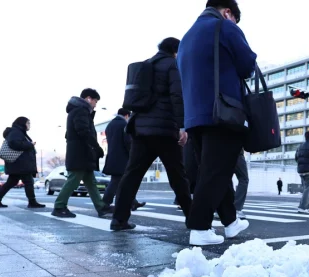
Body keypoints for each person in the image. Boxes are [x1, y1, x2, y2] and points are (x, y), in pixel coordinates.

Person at [178, 0, 257, 245]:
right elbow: (247, 65)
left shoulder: (186, 38)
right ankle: (199, 228)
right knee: (215, 172)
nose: (234, 23)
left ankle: (231, 223)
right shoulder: (225, 27)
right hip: (223, 112)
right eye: (234, 18)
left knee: (214, 169)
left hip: (195, 116)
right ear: (227, 12)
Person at [112, 38, 194, 231]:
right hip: (164, 130)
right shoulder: (172, 64)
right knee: (178, 176)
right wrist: (182, 126)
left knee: (131, 175)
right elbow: (177, 96)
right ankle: (192, 218)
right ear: (176, 51)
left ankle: (118, 219)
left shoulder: (147, 64)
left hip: (140, 129)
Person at [52, 88, 112, 219]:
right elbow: (84, 131)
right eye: (95, 101)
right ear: (89, 98)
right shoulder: (81, 111)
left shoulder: (78, 111)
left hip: (82, 153)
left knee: (91, 182)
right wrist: (96, 148)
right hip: (80, 153)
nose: (95, 104)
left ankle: (101, 207)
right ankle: (59, 206)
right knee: (73, 180)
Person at [0, 117, 45, 209]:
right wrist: (30, 145)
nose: (29, 125)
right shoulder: (16, 132)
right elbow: (14, 143)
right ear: (22, 123)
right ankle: (32, 202)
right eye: (28, 123)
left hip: (19, 164)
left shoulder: (19, 132)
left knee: (12, 182)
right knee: (28, 182)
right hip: (20, 164)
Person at [101, 109, 144, 212]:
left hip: (112, 157)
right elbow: (128, 142)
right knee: (116, 182)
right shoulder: (124, 125)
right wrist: (134, 154)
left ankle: (133, 202)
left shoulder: (110, 125)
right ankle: (105, 203)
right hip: (123, 158)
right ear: (126, 115)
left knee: (123, 181)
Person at [234, 150, 249, 218]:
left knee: (224, 180)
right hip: (236, 150)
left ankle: (220, 210)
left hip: (221, 151)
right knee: (243, 179)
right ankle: (236, 209)